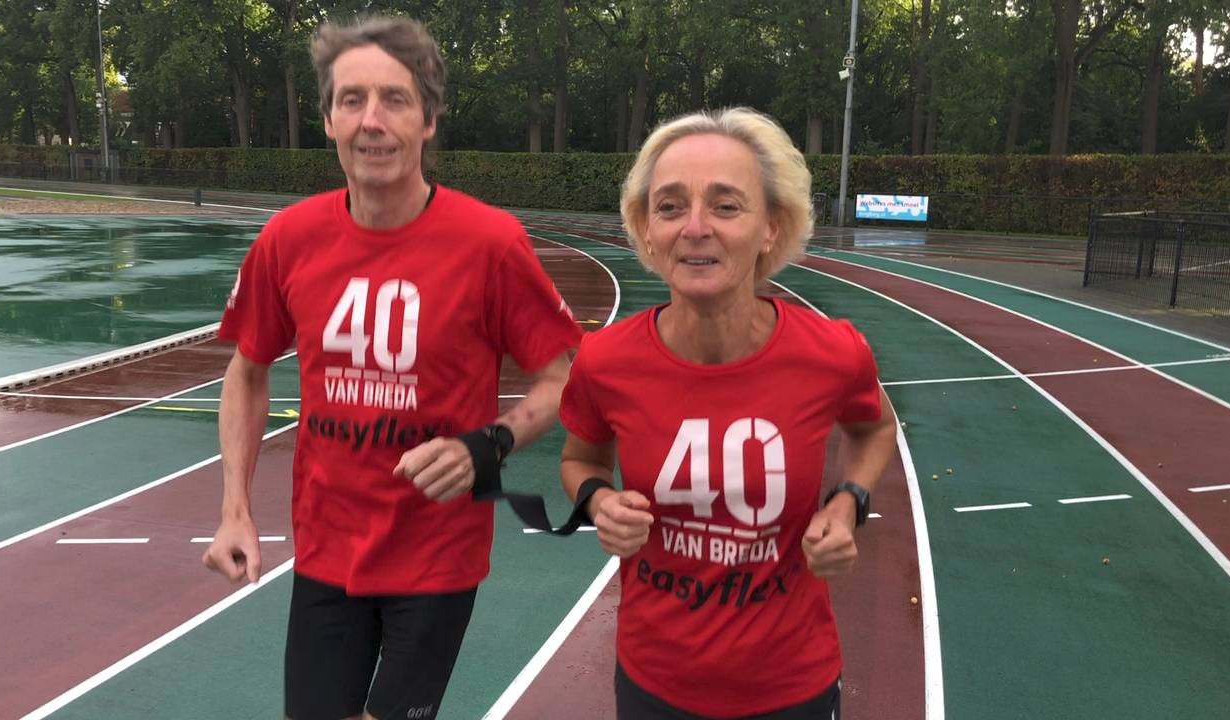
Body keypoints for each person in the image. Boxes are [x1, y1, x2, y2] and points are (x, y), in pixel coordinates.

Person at [201, 15, 582, 720]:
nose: (372, 121)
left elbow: (564, 379)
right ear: (327, 120)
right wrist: (234, 512)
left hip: (437, 556)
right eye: (352, 100)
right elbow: (247, 372)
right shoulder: (288, 239)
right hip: (326, 551)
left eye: (395, 100)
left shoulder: (490, 244)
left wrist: (487, 446)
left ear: (428, 120)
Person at [558, 107, 898, 719]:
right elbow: (580, 458)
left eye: (725, 205)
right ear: (647, 230)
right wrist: (598, 502)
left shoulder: (833, 352)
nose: (694, 227)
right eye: (669, 206)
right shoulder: (605, 359)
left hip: (792, 687)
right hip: (653, 682)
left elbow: (875, 428)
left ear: (771, 226)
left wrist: (848, 501)